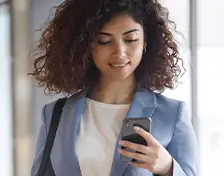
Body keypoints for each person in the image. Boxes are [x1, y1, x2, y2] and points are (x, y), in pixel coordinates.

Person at [30, 0, 198, 175]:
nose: (119, 52)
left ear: (146, 42)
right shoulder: (55, 114)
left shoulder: (172, 115)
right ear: (86, 46)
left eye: (130, 39)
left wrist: (167, 167)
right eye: (104, 41)